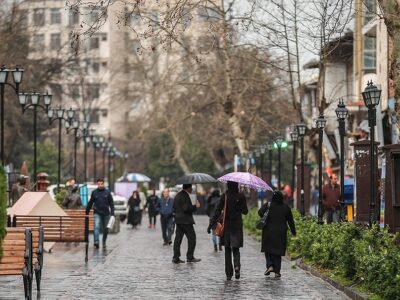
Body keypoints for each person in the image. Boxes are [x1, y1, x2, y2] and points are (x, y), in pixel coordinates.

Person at [208, 181, 248, 280]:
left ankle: (229, 274)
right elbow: (245, 211)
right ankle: (237, 266)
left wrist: (211, 225)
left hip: (227, 226)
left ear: (228, 185)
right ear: (237, 186)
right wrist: (239, 203)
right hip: (237, 226)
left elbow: (217, 211)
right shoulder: (241, 196)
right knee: (236, 248)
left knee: (227, 250)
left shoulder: (224, 196)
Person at [258, 190, 296, 278]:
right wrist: (294, 232)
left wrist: (266, 216)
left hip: (268, 231)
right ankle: (277, 271)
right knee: (277, 252)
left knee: (268, 250)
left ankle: (270, 265)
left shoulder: (268, 205)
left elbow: (260, 212)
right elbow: (290, 221)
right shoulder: (285, 207)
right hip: (280, 233)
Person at [172, 184, 201, 264]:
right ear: (188, 188)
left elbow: (174, 206)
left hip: (178, 220)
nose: (191, 189)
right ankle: (190, 257)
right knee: (192, 238)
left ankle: (176, 257)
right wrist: (195, 206)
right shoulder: (185, 196)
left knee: (178, 239)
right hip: (186, 221)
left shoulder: (178, 195)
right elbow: (186, 208)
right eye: (191, 188)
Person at [85, 178, 115, 249]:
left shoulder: (107, 192)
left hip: (106, 213)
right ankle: (96, 241)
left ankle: (104, 241)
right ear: (97, 184)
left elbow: (111, 203)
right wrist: (87, 212)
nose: (100, 185)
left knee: (105, 229)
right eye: (99, 184)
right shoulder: (94, 192)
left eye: (101, 184)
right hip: (97, 212)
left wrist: (112, 213)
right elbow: (90, 203)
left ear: (103, 184)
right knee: (96, 227)